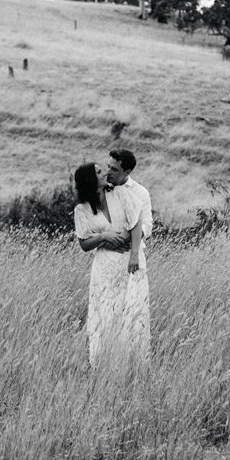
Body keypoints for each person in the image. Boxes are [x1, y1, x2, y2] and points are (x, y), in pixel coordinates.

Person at [73, 162, 151, 369]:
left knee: (133, 310)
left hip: (129, 262)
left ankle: (134, 364)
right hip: (105, 266)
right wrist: (103, 236)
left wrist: (134, 253)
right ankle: (106, 364)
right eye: (99, 172)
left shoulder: (120, 194)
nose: (105, 173)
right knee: (107, 315)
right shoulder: (81, 210)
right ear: (90, 181)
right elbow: (83, 243)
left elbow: (136, 222)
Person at [106, 149, 153, 242]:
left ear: (127, 172)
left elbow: (147, 226)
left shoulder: (140, 192)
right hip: (104, 249)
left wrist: (128, 235)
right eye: (108, 167)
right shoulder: (100, 189)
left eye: (114, 169)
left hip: (130, 250)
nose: (108, 172)